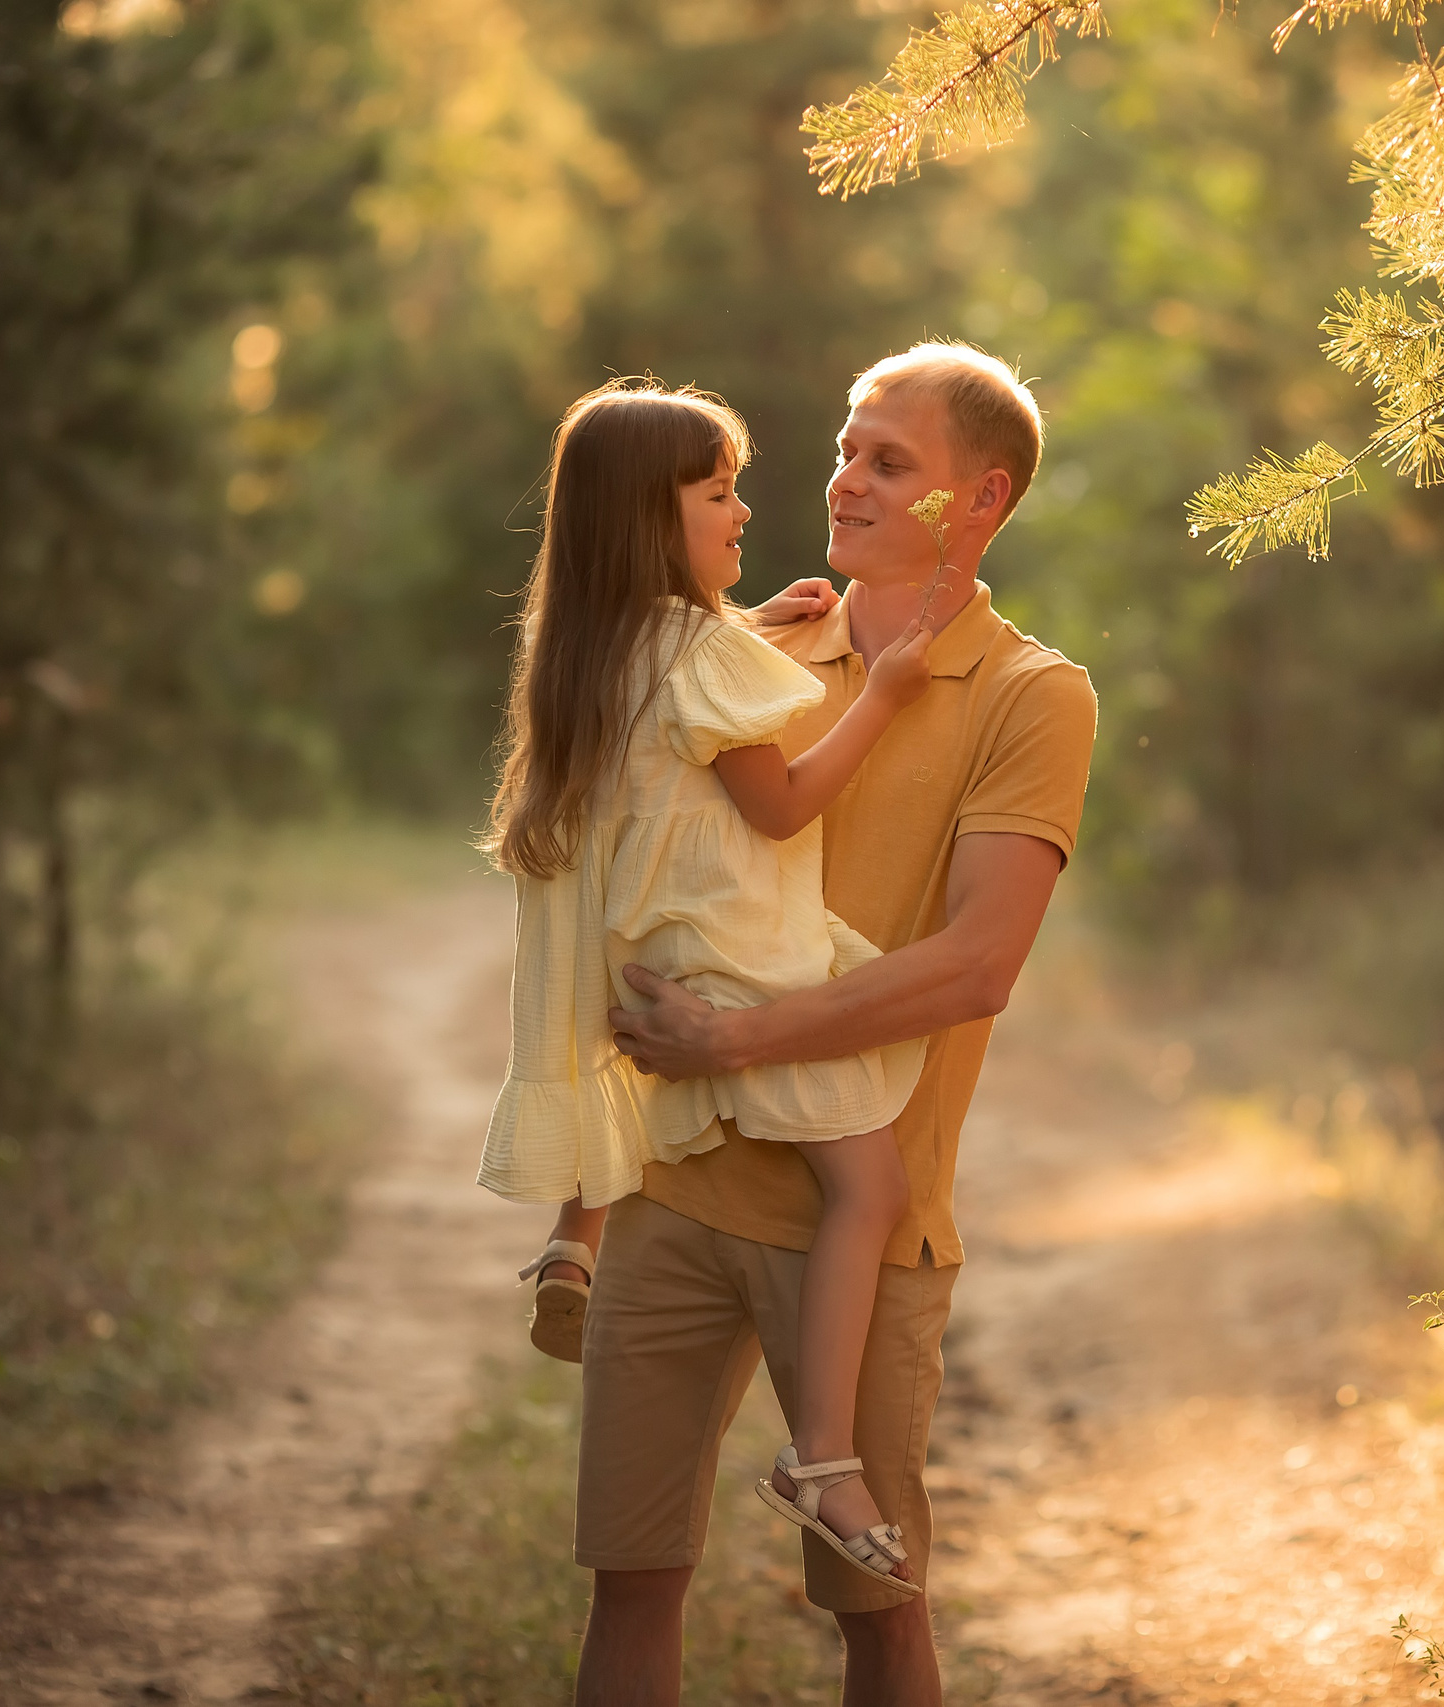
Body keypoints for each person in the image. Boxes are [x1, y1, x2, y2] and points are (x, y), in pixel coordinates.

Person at [575, 342, 1098, 1707]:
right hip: (676, 1183)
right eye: (846, 449)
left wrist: (739, 1039)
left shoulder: (1033, 695)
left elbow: (976, 964)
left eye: (889, 461)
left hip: (862, 1216)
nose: (845, 479)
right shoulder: (743, 646)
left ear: (979, 499)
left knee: (880, 1612)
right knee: (631, 1581)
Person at [477, 377, 948, 1595]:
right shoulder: (698, 651)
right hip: (737, 970)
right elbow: (777, 804)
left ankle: (572, 1242)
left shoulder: (594, 646)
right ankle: (824, 1458)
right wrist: (881, 695)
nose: (744, 513)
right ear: (654, 519)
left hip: (653, 953)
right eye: (719, 494)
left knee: (800, 1165)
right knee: (870, 1187)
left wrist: (748, 626)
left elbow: (676, 725)